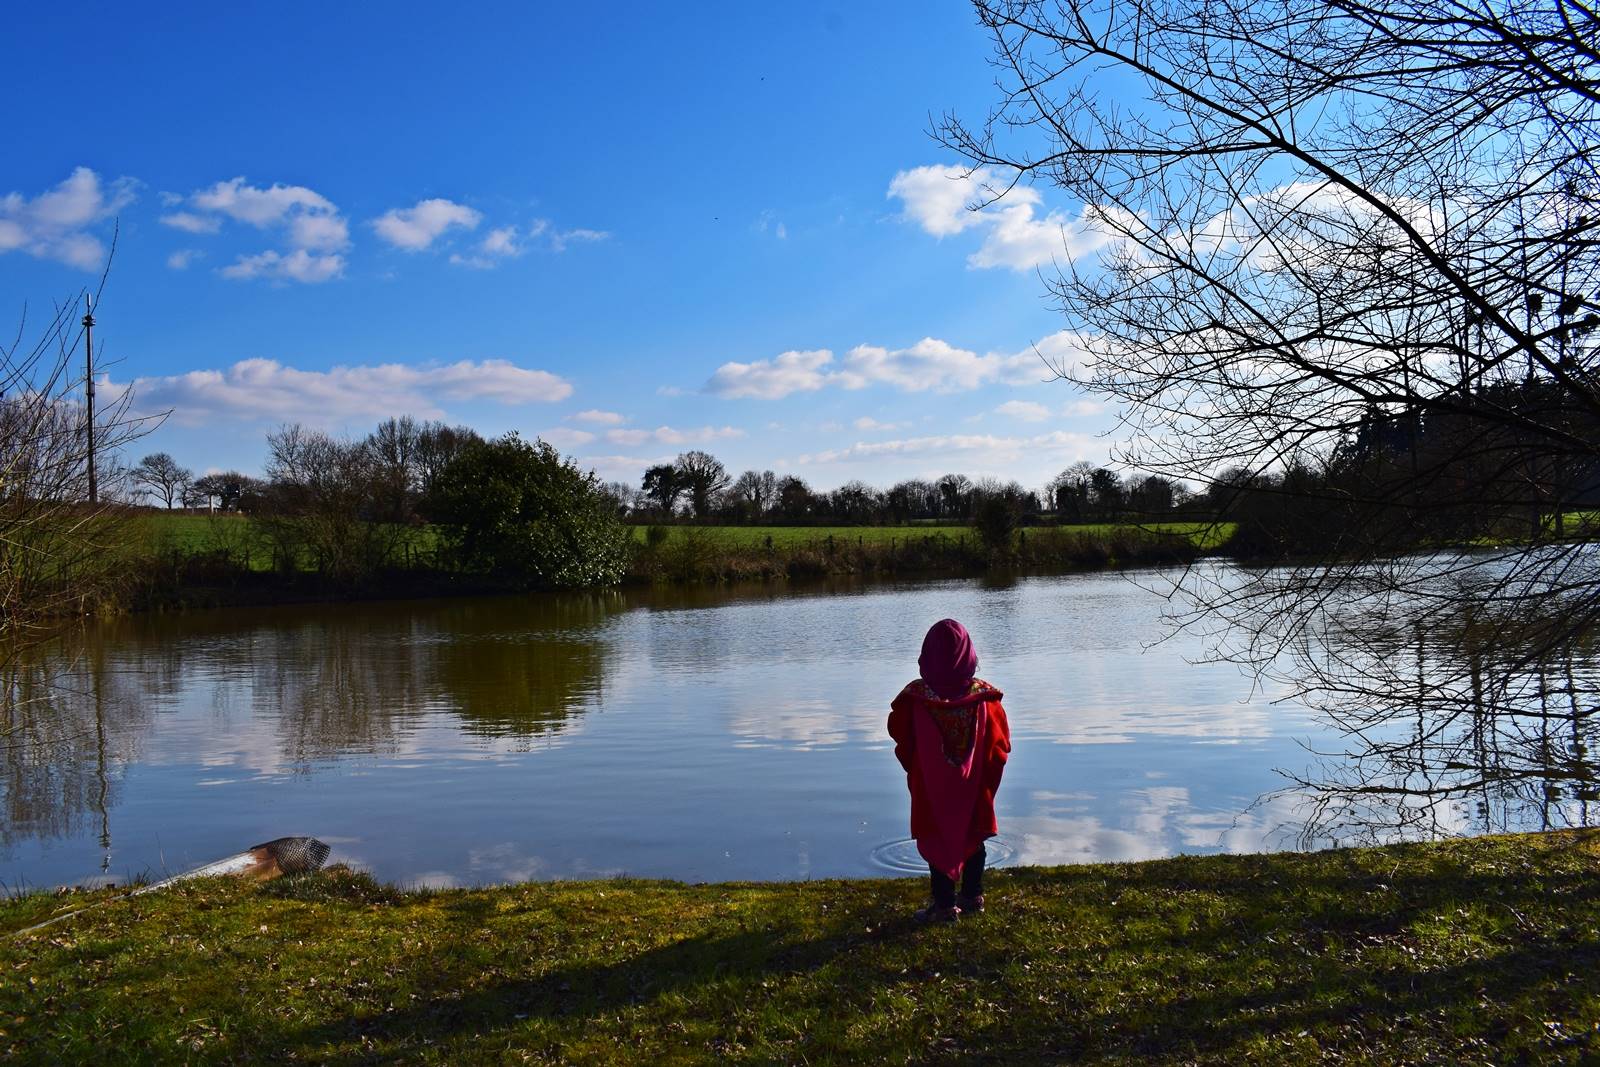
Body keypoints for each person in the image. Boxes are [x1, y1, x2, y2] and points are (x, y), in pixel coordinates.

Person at [888, 618, 1011, 923]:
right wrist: (981, 777)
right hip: (974, 786)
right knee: (973, 835)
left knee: (937, 837)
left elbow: (902, 737)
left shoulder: (915, 698)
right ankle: (971, 896)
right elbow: (1000, 746)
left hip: (932, 788)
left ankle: (943, 907)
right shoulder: (986, 698)